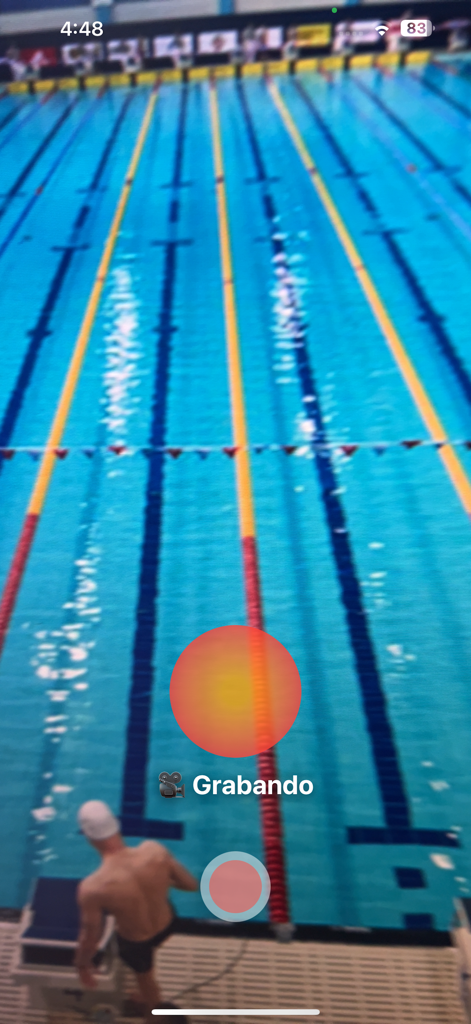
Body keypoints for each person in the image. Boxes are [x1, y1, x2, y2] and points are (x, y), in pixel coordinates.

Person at [75, 800, 199, 1023]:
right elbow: (191, 884)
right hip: (169, 924)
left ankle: (152, 1012)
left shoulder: (93, 887)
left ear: (88, 836)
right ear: (116, 824)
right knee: (150, 948)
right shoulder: (155, 851)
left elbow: (90, 938)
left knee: (146, 978)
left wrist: (83, 964)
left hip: (137, 944)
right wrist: (156, 882)